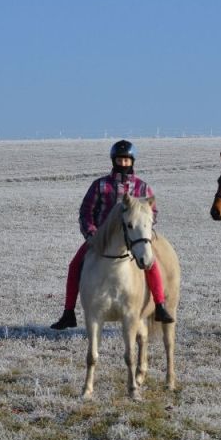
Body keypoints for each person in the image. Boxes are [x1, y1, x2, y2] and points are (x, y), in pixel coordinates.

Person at [50, 140, 174, 329]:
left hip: (132, 237)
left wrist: (143, 230)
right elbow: (86, 212)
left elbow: (152, 212)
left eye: (126, 160)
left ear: (132, 161)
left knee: (151, 263)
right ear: (113, 160)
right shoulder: (100, 185)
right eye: (120, 160)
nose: (123, 164)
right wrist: (91, 234)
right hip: (101, 239)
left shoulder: (142, 188)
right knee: (75, 265)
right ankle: (68, 313)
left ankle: (159, 305)